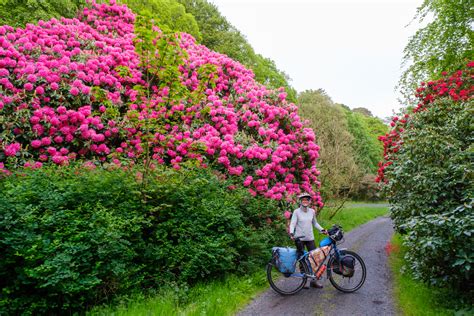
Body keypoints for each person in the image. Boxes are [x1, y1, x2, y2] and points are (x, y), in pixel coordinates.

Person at [289, 192, 327, 288]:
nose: (305, 201)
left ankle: (314, 281)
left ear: (309, 201)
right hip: (300, 239)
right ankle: (304, 281)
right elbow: (293, 223)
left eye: (307, 199)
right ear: (300, 201)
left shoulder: (312, 211)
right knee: (302, 260)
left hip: (310, 238)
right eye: (303, 199)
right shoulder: (296, 212)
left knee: (314, 259)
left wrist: (322, 229)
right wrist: (291, 232)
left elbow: (315, 223)